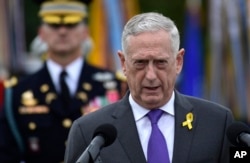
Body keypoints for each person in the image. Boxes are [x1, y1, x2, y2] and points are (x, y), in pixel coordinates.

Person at [64, 12, 234, 163]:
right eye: (140, 63)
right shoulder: (89, 132)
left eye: (160, 62)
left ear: (178, 61)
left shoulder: (217, 122)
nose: (151, 75)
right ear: (123, 63)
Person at [0, 0, 126, 162]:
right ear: (41, 33)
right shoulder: (17, 92)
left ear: (85, 32)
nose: (62, 31)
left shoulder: (116, 86)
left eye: (71, 25)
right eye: (54, 25)